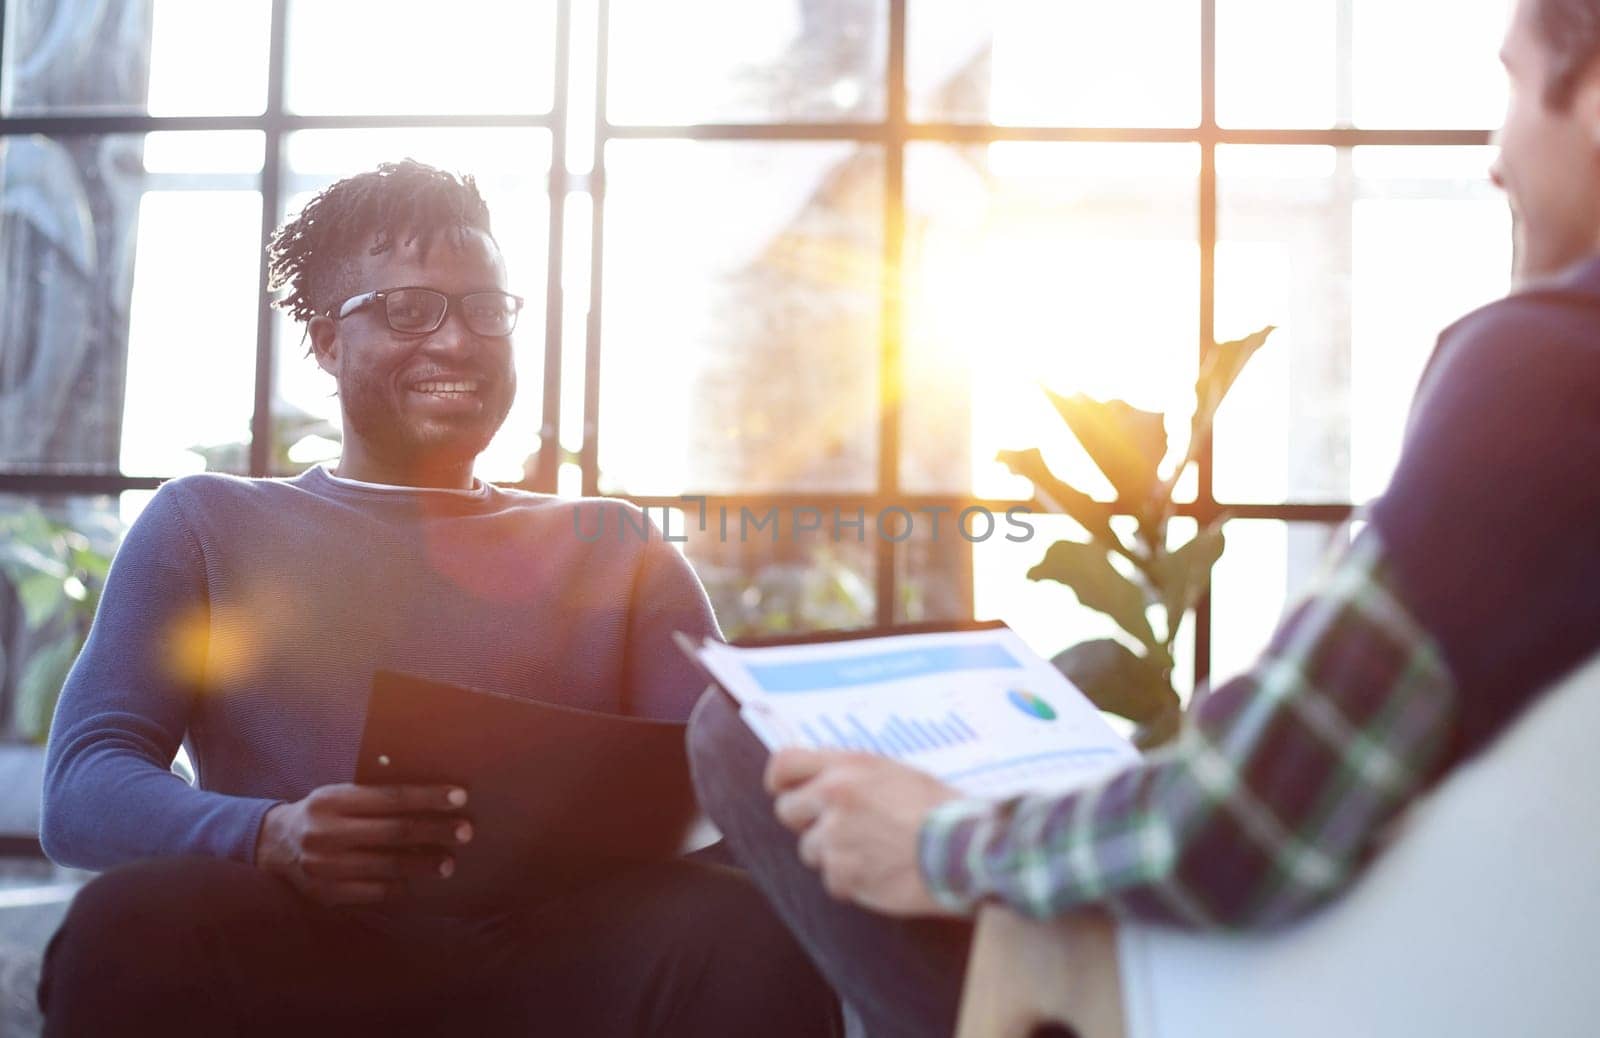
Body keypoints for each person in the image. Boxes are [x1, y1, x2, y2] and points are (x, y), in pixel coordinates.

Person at [686, 0, 1600, 1034]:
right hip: (1452, 956)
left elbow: (1241, 826)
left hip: (1273, 985)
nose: (1497, 155)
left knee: (743, 737)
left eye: (1515, 90)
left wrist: (941, 842)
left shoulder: (1546, 374)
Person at [37, 160, 839, 1037]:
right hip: (307, 948)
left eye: (486, 309)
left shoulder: (616, 546)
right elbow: (84, 783)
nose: (458, 342)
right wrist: (271, 834)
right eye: (409, 309)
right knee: (131, 926)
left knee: (754, 932)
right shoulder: (208, 524)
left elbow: (721, 786)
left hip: (571, 961)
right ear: (327, 343)